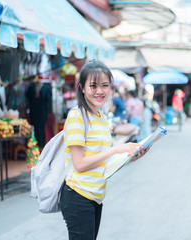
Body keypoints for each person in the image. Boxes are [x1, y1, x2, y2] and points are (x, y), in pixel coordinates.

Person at [60, 60, 150, 240]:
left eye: (105, 85)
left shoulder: (100, 117)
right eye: (93, 86)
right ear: (82, 88)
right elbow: (79, 164)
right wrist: (116, 150)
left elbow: (102, 160)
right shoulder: (77, 115)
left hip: (95, 196)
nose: (100, 91)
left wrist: (130, 156)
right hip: (78, 195)